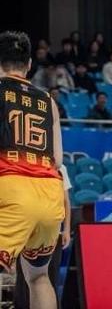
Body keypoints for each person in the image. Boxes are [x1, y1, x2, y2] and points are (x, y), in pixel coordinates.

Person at [0, 31, 65, 309]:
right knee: (38, 277)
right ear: (28, 64)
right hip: (49, 194)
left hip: (11, 187)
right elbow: (58, 159)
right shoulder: (48, 100)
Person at [13, 164, 72, 309]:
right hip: (29, 228)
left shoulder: (59, 168)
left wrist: (66, 229)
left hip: (48, 229)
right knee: (28, 277)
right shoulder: (21, 162)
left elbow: (65, 201)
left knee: (46, 276)